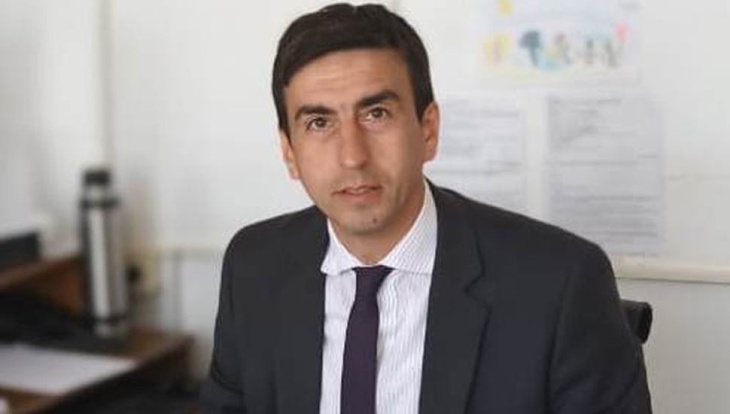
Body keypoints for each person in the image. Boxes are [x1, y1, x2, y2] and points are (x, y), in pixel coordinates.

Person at [200, 3, 652, 413]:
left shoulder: (562, 282)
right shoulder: (253, 266)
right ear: (289, 153)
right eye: (319, 122)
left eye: (376, 114)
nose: (352, 156)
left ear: (428, 130)